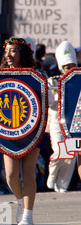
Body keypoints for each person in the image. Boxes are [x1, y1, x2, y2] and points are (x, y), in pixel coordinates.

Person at [0, 37, 47, 225]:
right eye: (7, 50)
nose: (8, 55)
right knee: (10, 175)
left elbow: (48, 99)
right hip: (8, 131)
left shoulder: (36, 74)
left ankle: (28, 213)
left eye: (13, 51)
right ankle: (20, 201)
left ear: (23, 53)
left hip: (31, 130)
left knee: (28, 173)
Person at [47, 41, 78, 193]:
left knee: (71, 155)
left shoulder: (78, 80)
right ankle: (52, 173)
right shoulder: (52, 81)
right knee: (60, 150)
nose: (70, 69)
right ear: (61, 67)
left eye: (72, 66)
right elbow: (51, 101)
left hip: (74, 122)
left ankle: (62, 186)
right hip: (57, 122)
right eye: (67, 67)